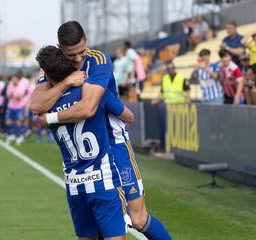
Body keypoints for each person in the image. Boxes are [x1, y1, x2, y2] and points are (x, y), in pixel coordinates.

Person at [31, 21, 172, 240]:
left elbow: (88, 108)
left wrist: (49, 117)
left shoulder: (99, 60)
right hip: (88, 156)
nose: (78, 59)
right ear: (60, 48)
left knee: (138, 219)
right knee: (95, 230)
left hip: (114, 143)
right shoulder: (56, 70)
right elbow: (35, 105)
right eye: (71, 55)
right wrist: (67, 81)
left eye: (81, 52)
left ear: (86, 41)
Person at [36, 45, 136, 240]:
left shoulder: (46, 111)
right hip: (103, 179)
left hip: (74, 184)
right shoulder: (93, 94)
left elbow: (35, 106)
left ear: (47, 76)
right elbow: (129, 116)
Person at [5, 74, 27, 145]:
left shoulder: (21, 86)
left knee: (18, 121)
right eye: (12, 79)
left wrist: (15, 95)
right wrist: (12, 94)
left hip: (19, 107)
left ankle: (19, 136)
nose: (13, 80)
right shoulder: (10, 85)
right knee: (8, 120)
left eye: (14, 79)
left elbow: (20, 97)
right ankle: (11, 134)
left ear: (18, 79)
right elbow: (8, 96)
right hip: (10, 106)